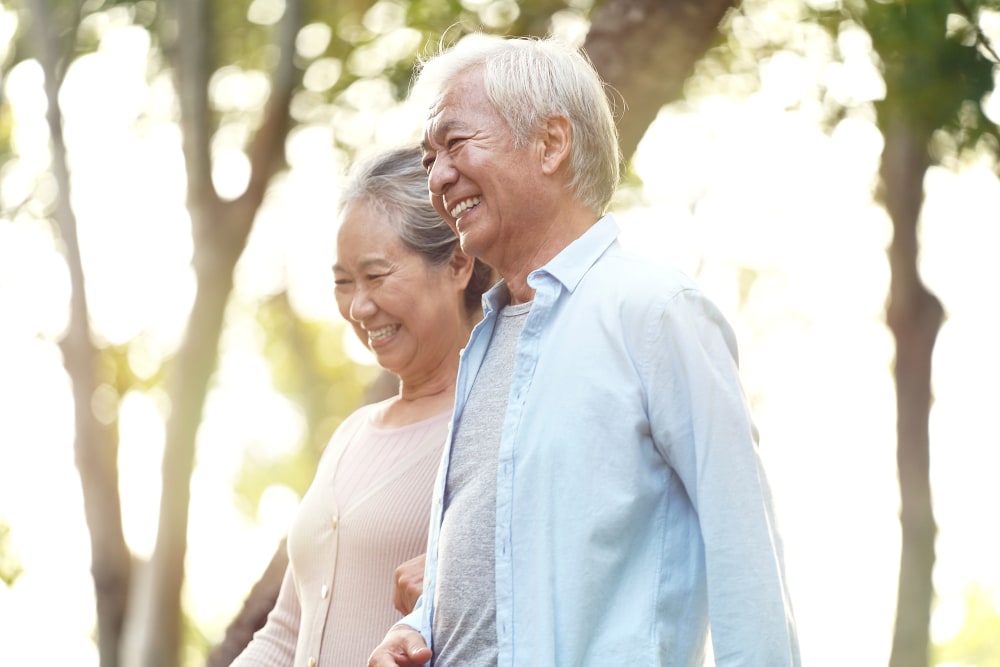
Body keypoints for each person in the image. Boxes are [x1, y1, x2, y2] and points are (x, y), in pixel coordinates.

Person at [368, 35, 801, 667]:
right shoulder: (485, 340)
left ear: (550, 143)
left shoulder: (655, 311)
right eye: (430, 157)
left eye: (454, 144)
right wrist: (417, 628)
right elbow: (511, 570)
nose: (436, 177)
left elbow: (746, 553)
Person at [232, 146, 493, 667]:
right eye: (343, 282)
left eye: (375, 276)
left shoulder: (491, 425)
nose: (358, 307)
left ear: (458, 264)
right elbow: (286, 632)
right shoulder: (353, 434)